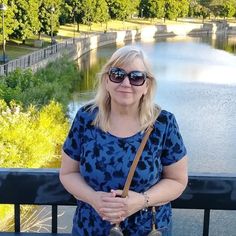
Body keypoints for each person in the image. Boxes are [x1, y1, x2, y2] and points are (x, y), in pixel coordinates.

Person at [60, 45, 188, 236]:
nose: (126, 83)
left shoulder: (163, 123)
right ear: (106, 80)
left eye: (136, 77)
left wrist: (141, 200)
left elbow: (177, 180)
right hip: (91, 227)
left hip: (147, 230)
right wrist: (94, 198)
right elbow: (68, 173)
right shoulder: (86, 118)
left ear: (147, 86)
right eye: (117, 74)